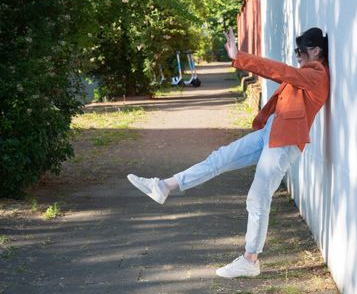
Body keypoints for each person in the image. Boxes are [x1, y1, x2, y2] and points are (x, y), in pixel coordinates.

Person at [127, 27, 330, 278]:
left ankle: (250, 260)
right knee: (219, 158)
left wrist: (240, 56)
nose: (297, 55)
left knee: (257, 198)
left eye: (301, 51)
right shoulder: (306, 73)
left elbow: (281, 71)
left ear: (316, 51)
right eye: (296, 50)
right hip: (271, 132)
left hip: (284, 142)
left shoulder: (317, 74)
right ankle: (164, 186)